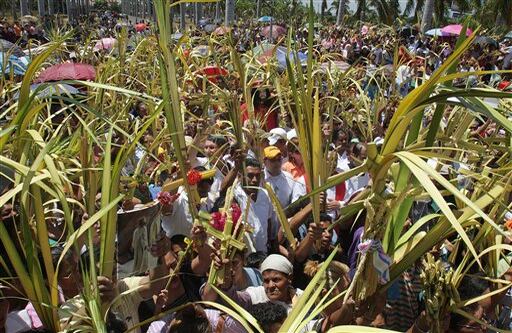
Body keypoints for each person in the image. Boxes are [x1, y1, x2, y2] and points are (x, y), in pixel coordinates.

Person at [202, 254, 302, 313]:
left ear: (289, 278)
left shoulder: (303, 298)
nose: (271, 286)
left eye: (276, 280)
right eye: (266, 281)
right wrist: (226, 276)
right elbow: (235, 300)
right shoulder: (256, 295)